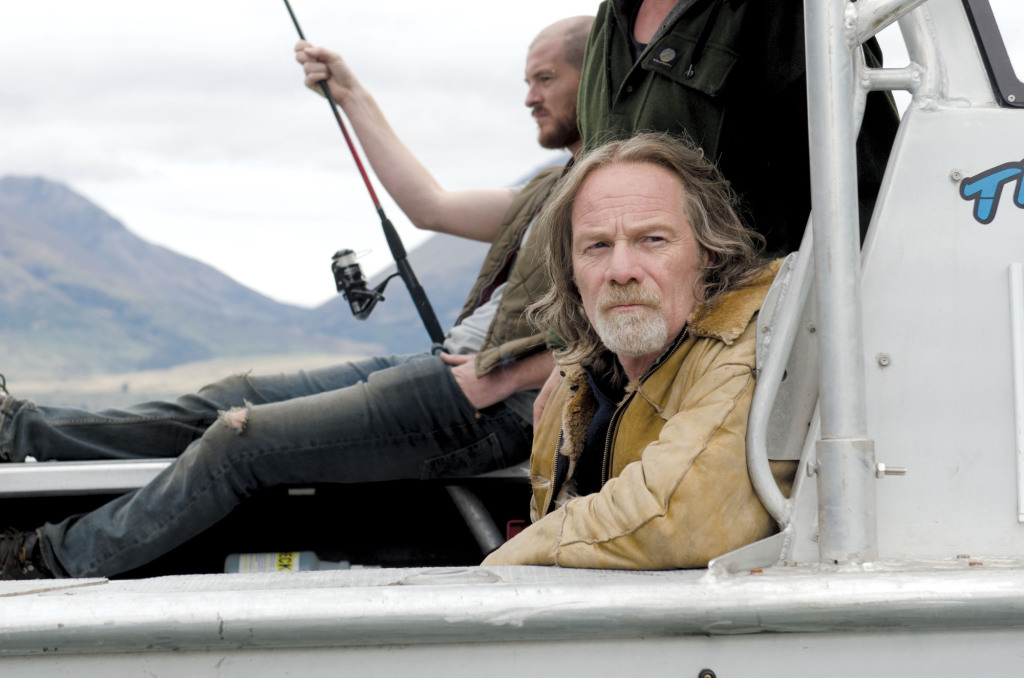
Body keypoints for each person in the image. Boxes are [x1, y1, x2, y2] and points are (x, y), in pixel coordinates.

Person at [0, 16, 594, 580]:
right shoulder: (552, 186)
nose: (529, 98)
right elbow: (429, 207)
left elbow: (623, 323)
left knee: (241, 439)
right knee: (233, 395)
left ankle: (44, 558)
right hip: (449, 369)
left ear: (595, 76)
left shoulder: (615, 194)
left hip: (490, 403)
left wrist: (509, 377)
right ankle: (18, 431)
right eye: (527, 81)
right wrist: (350, 93)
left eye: (545, 79)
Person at [482, 133, 797, 569]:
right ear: (570, 269)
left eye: (652, 240)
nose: (621, 270)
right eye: (597, 246)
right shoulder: (576, 381)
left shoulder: (751, 348)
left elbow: (680, 519)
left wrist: (502, 564)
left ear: (709, 252)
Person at [576, 0, 900, 256]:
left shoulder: (793, 10)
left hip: (750, 308)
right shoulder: (609, 18)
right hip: (615, 306)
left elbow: (866, 185)